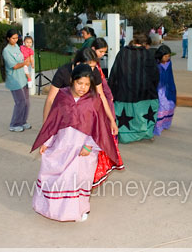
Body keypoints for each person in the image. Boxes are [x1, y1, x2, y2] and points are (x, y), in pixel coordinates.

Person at [31, 64, 120, 222]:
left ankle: (79, 209)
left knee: (78, 178)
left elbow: (99, 126)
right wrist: (47, 141)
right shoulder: (62, 96)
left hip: (83, 148)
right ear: (72, 80)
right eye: (80, 83)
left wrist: (89, 146)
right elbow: (54, 122)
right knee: (58, 176)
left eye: (87, 84)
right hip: (62, 144)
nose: (83, 88)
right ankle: (53, 210)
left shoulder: (94, 100)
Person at [43, 48, 118, 137]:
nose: (92, 70)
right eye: (90, 66)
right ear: (78, 63)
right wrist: (45, 127)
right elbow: (50, 99)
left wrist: (112, 120)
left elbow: (101, 96)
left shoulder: (94, 72)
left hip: (84, 112)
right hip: (65, 112)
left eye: (94, 67)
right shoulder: (63, 72)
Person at [108, 33, 160, 143]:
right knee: (143, 114)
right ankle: (145, 133)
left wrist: (111, 90)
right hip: (144, 92)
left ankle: (125, 136)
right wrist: (154, 87)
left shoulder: (123, 52)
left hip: (124, 91)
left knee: (125, 115)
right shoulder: (147, 54)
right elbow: (154, 74)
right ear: (145, 44)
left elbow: (115, 72)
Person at [90, 38, 124, 186]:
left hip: (103, 105)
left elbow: (103, 91)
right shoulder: (89, 67)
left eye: (104, 52)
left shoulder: (96, 65)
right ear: (92, 48)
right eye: (100, 51)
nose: (102, 54)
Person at [0, 29, 31, 132]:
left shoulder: (17, 47)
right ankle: (14, 124)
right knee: (20, 101)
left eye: (17, 38)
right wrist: (24, 63)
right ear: (8, 38)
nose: (15, 40)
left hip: (22, 78)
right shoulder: (6, 51)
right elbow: (13, 66)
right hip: (14, 79)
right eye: (13, 38)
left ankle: (23, 121)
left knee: (26, 101)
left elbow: (22, 59)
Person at [153, 45, 176, 136]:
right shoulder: (155, 64)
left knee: (169, 105)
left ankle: (165, 124)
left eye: (168, 56)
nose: (167, 58)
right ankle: (158, 127)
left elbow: (170, 76)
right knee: (161, 107)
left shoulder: (169, 63)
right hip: (159, 89)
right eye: (165, 56)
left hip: (168, 87)